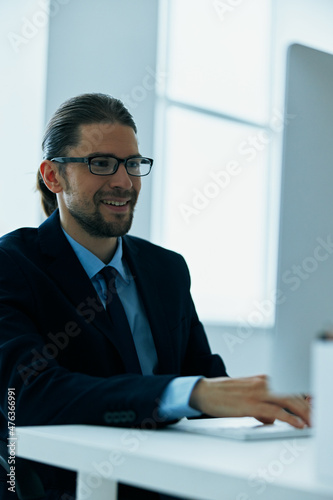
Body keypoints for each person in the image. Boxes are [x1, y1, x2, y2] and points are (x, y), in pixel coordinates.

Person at [0, 93, 310, 500]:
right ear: (53, 176)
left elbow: (205, 376)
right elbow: (24, 397)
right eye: (101, 163)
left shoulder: (167, 269)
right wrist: (188, 393)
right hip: (68, 486)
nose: (124, 182)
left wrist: (266, 400)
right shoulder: (13, 265)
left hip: (171, 479)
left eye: (132, 164)